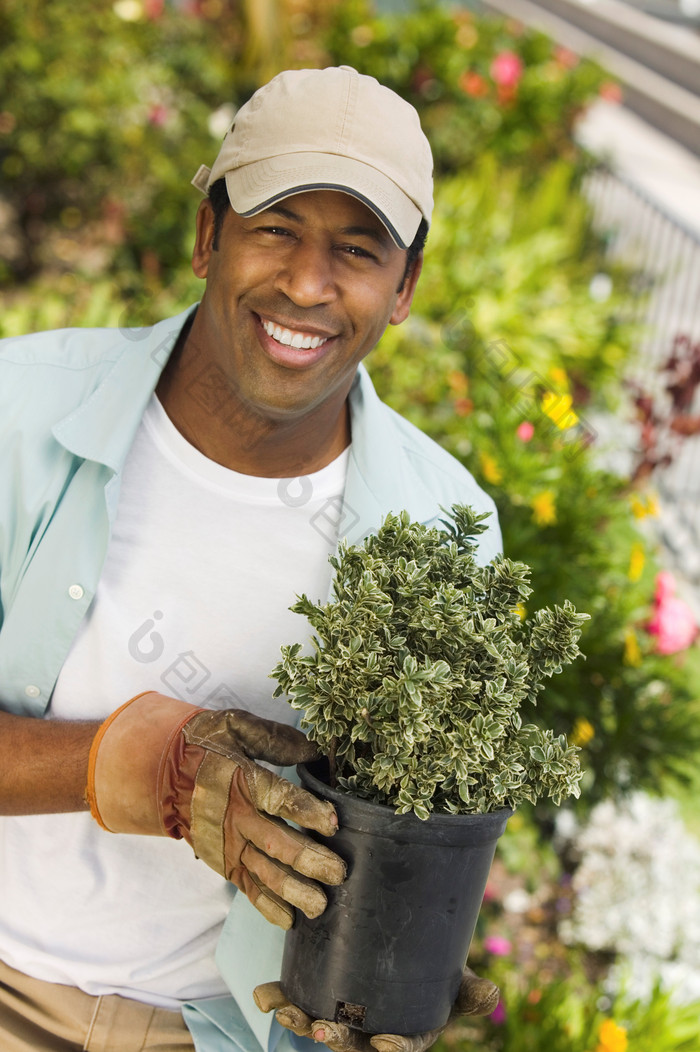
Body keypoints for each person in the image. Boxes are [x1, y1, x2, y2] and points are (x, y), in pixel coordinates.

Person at [0, 66, 503, 1052]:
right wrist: (151, 770)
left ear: (401, 288)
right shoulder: (19, 411)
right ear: (207, 235)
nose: (307, 286)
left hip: (216, 1030)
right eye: (276, 228)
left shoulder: (443, 526)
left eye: (355, 251)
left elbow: (417, 818)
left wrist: (401, 954)